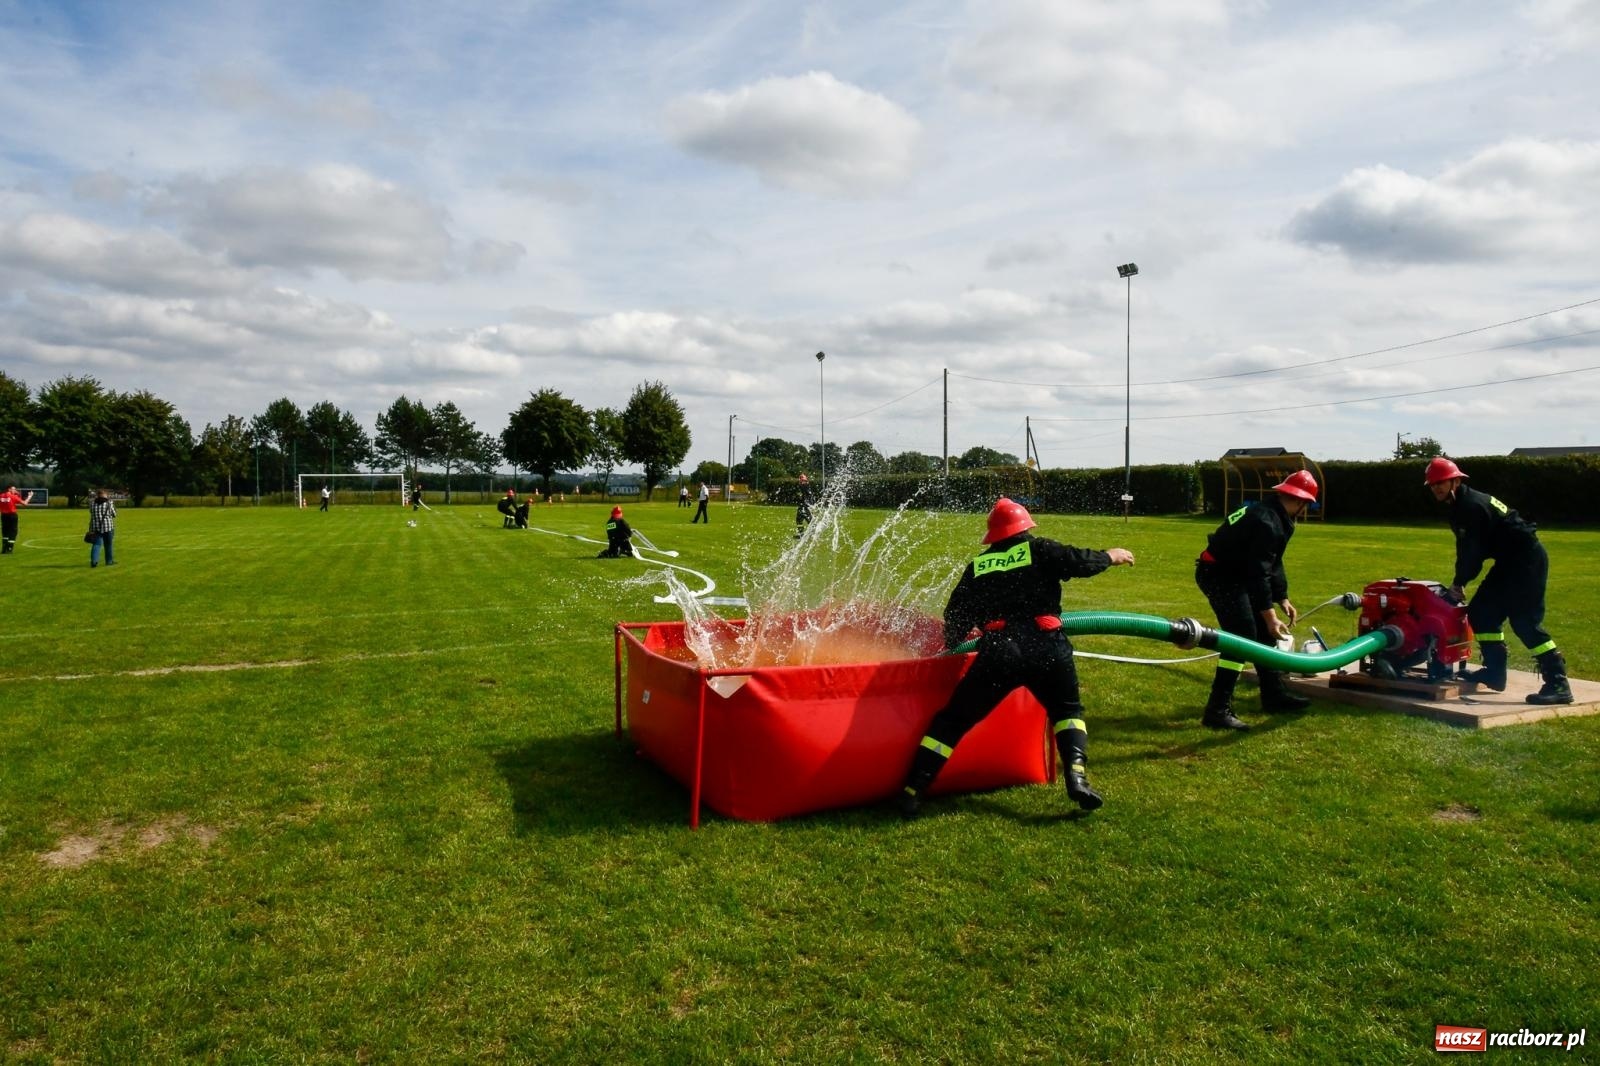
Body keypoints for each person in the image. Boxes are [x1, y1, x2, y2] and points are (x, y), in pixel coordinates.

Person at [896, 498, 1136, 816]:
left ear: (993, 535)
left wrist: (954, 643)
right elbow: (1077, 561)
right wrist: (1110, 556)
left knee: (953, 721)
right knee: (1067, 712)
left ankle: (913, 790)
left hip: (1000, 652)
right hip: (1048, 647)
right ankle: (1077, 777)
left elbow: (956, 615)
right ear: (1025, 527)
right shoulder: (1040, 549)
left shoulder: (979, 566)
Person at [1425, 457, 1572, 705]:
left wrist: (1459, 583)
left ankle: (1558, 683)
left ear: (1456, 481)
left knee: (1525, 622)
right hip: (1508, 562)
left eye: (1441, 482)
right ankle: (1494, 673)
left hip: (1526, 561)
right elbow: (1467, 550)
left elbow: (1472, 554)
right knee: (1482, 612)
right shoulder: (1460, 505)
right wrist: (1460, 581)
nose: (1436, 488)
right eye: (1432, 484)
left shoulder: (1470, 506)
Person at [1194, 470, 1319, 730]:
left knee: (1263, 633)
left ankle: (1273, 695)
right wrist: (1270, 616)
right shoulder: (1267, 521)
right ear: (1300, 501)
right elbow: (1258, 573)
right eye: (1306, 504)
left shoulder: (1275, 515)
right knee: (1240, 637)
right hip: (1219, 575)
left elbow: (1272, 561)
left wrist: (1282, 597)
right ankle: (1217, 710)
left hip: (1235, 573)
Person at [87, 488, 116, 568]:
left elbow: (91, 512)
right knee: (108, 545)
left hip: (96, 527)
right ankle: (109, 561)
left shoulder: (92, 504)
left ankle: (94, 561)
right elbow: (114, 514)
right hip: (108, 526)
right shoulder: (109, 503)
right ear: (105, 495)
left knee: (96, 544)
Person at [1, 484, 34, 554]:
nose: (15, 490)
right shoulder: (13, 496)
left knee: (5, 532)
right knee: (13, 532)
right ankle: (9, 548)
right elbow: (25, 503)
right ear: (9, 489)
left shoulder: (1, 496)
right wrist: (30, 496)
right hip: (12, 515)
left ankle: (4, 548)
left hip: (3, 515)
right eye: (14, 489)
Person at [795, 474, 813, 538]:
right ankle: (801, 533)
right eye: (800, 478)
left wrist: (803, 481)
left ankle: (812, 533)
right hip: (802, 505)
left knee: (809, 519)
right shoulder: (803, 486)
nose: (801, 480)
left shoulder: (805, 485)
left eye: (802, 479)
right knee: (799, 520)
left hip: (805, 506)